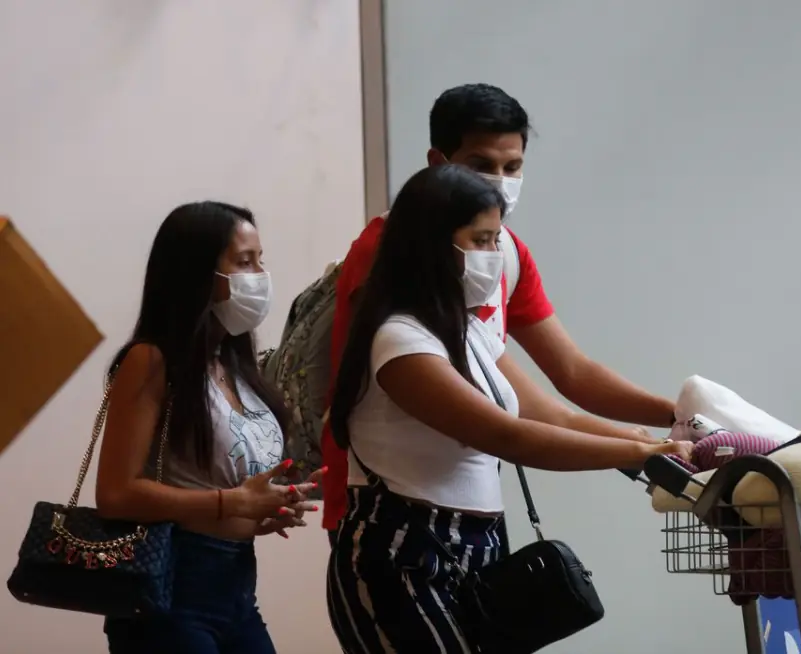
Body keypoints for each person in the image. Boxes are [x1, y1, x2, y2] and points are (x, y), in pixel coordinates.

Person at [325, 164, 691, 653]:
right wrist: (639, 455)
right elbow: (507, 436)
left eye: (497, 240)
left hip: (476, 549)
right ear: (429, 244)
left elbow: (555, 416)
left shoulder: (468, 329)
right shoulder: (400, 340)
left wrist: (655, 438)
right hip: (404, 553)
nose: (494, 256)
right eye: (480, 240)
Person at [320, 82, 677, 544]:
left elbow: (569, 375)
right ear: (439, 164)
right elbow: (506, 433)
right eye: (482, 165)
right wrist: (635, 452)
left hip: (471, 504)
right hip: (393, 503)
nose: (501, 182)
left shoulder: (504, 256)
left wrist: (674, 421)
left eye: (513, 167)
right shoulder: (392, 262)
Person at [95, 202, 325, 654]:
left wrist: (268, 505)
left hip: (236, 586)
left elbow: (216, 484)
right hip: (170, 591)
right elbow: (116, 494)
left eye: (261, 260)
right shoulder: (152, 360)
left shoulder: (234, 365)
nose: (259, 275)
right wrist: (232, 502)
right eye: (243, 262)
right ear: (196, 274)